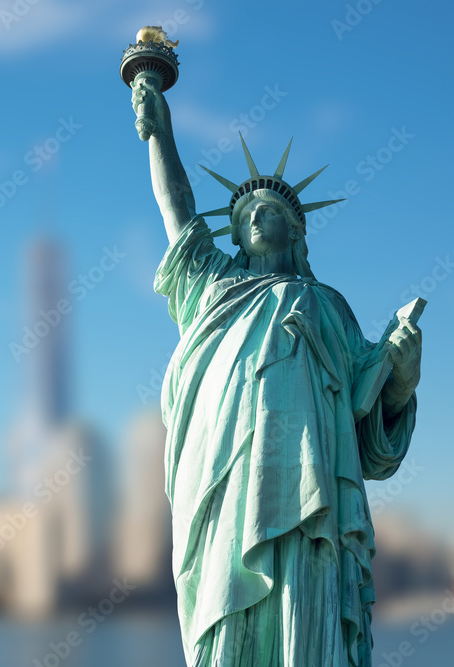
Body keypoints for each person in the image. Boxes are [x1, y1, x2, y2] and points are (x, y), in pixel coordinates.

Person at [131, 76, 423, 666]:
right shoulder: (214, 287)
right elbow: (178, 211)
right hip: (227, 475)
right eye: (249, 214)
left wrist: (403, 376)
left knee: (306, 611)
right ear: (234, 233)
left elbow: (372, 427)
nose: (261, 217)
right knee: (226, 606)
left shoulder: (328, 305)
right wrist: (160, 135)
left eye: (274, 211)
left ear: (298, 229)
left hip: (312, 484)